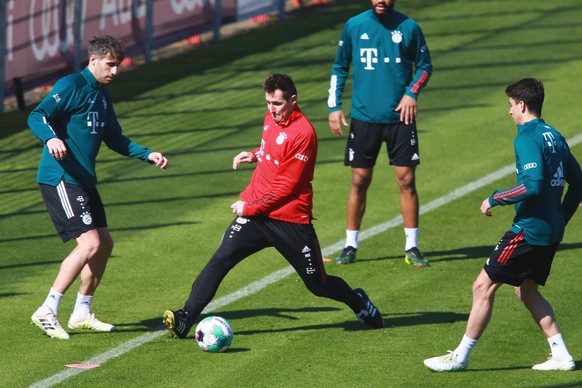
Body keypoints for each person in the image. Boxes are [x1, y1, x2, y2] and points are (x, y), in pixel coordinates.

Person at [163, 73, 383, 338]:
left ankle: (358, 301)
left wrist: (249, 208)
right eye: (268, 102)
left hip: (290, 220)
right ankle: (186, 318)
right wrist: (255, 154)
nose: (271, 109)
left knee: (319, 285)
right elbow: (272, 150)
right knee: (221, 259)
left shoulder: (304, 133)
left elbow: (286, 187)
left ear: (292, 100)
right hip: (257, 217)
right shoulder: (271, 119)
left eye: (277, 104)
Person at [424, 78, 582, 372]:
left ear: (522, 105)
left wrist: (494, 198)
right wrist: (560, 217)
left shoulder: (527, 137)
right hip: (551, 231)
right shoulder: (555, 136)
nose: (509, 111)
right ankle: (561, 354)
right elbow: (578, 183)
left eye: (510, 105)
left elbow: (532, 185)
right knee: (527, 290)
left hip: (529, 230)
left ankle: (460, 356)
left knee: (482, 287)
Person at [28, 35, 169, 340]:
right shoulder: (71, 85)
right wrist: (51, 138)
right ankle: (47, 310)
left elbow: (115, 138)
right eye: (110, 65)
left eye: (118, 65)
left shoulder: (103, 96)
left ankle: (81, 312)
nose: (115, 71)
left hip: (84, 180)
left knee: (104, 245)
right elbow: (36, 115)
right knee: (89, 244)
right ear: (93, 60)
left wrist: (148, 154)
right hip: (60, 177)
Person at [327, 0, 432, 267]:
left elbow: (424, 66)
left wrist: (411, 93)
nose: (380, 0)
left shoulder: (409, 27)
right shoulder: (354, 26)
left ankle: (412, 247)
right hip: (364, 118)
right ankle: (350, 245)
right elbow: (340, 67)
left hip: (401, 118)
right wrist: (334, 106)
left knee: (406, 180)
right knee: (359, 180)